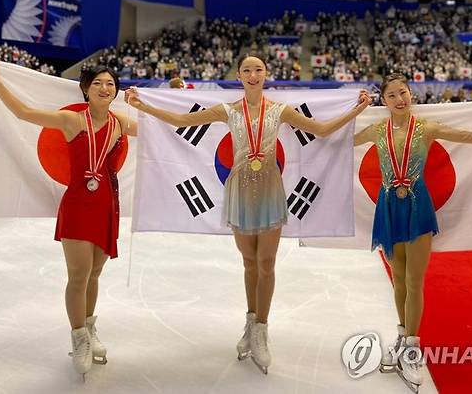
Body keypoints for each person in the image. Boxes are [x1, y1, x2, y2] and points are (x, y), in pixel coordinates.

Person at [125, 54, 371, 374]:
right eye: (247, 70)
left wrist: (357, 109)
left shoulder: (279, 111)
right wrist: (143, 106)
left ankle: (261, 331)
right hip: (239, 190)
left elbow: (321, 130)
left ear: (266, 74)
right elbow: (182, 122)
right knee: (249, 262)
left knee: (267, 262)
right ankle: (250, 322)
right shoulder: (227, 111)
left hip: (270, 190)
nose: (253, 74)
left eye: (258, 69)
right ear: (239, 75)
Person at [353, 73, 472, 391]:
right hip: (388, 208)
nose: (400, 99)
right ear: (384, 101)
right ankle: (401, 337)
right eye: (392, 94)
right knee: (398, 279)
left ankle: (411, 347)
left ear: (412, 95)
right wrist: (352, 111)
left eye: (404, 92)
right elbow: (332, 140)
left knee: (413, 280)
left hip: (417, 206)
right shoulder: (376, 130)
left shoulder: (427, 128)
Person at [0, 60, 137, 378]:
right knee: (78, 275)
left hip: (107, 202)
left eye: (110, 84)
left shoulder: (120, 122)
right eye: (97, 84)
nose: (105, 88)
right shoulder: (71, 120)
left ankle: (90, 328)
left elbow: (159, 129)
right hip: (79, 203)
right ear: (86, 89)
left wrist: (157, 100)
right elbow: (24, 113)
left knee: (94, 273)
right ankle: (79, 337)